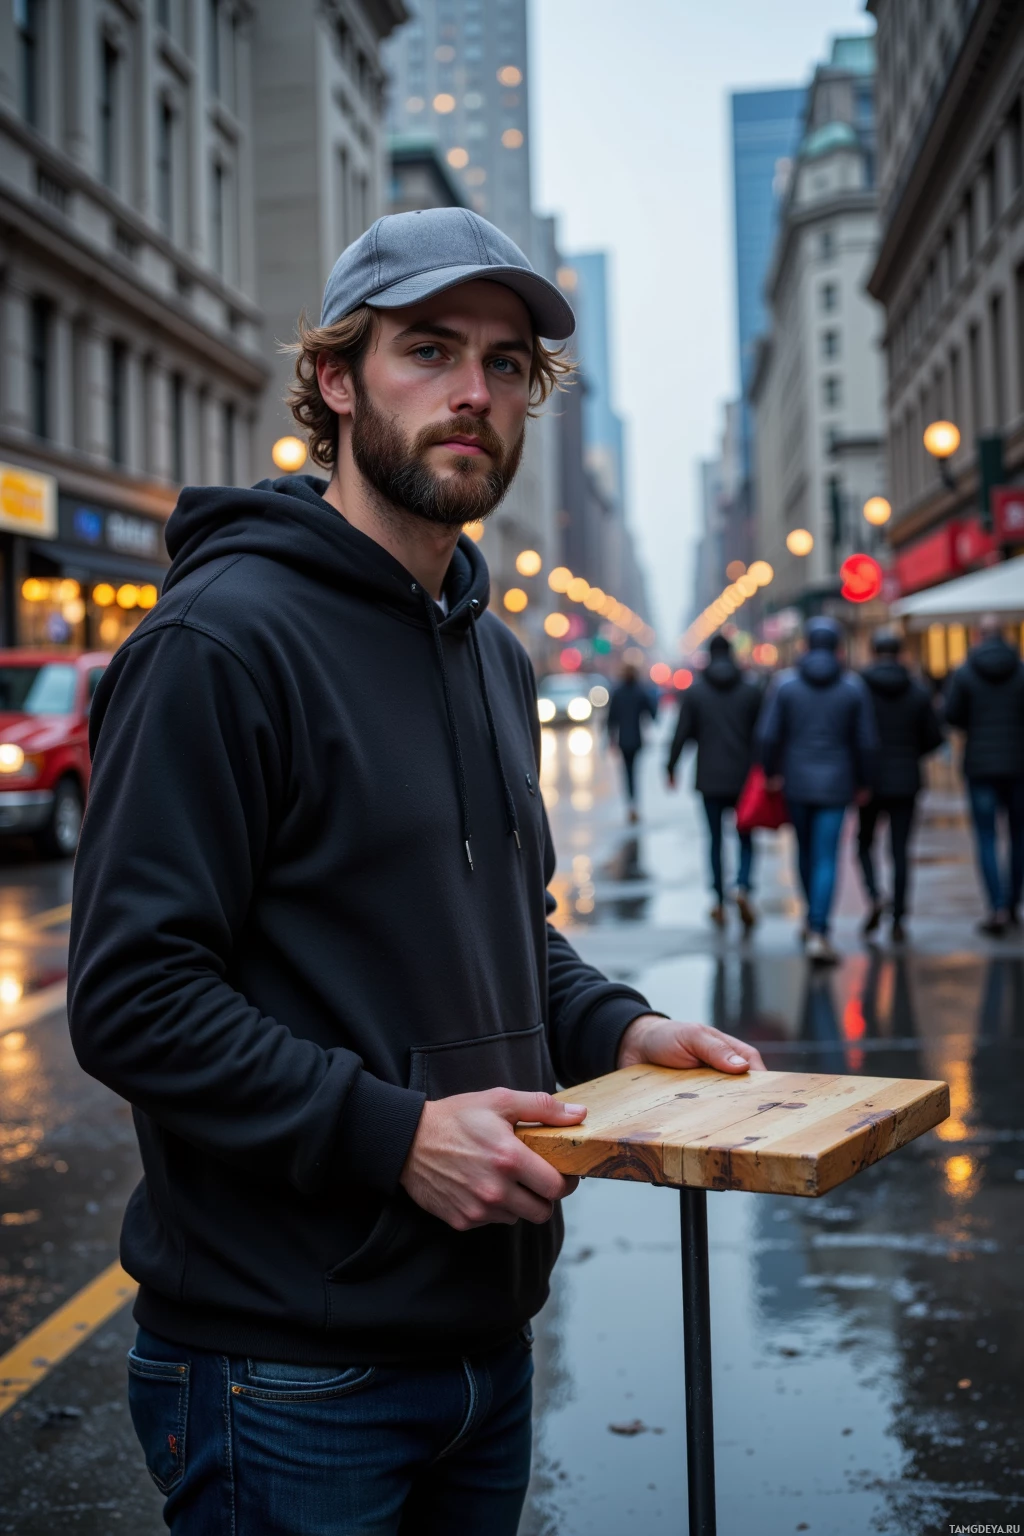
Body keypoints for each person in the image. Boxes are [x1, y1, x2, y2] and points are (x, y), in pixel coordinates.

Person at [68, 207, 764, 1536]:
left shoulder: (490, 652)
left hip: (483, 1340)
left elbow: (508, 929)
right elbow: (133, 996)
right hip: (285, 1369)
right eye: (429, 350)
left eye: (506, 365)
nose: (473, 394)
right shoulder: (219, 642)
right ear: (335, 380)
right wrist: (394, 1138)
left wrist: (625, 1027)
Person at [758, 617, 878, 965]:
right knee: (827, 855)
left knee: (805, 852)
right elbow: (866, 742)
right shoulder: (853, 687)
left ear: (805, 645)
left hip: (796, 781)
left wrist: (771, 772)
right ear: (838, 647)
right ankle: (819, 928)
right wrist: (865, 782)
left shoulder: (785, 685)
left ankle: (812, 920)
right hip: (837, 782)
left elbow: (767, 735)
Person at [665, 634, 763, 929]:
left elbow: (682, 733)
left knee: (715, 840)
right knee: (746, 837)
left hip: (709, 778)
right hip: (744, 779)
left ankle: (719, 901)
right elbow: (763, 736)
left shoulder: (696, 693)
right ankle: (743, 886)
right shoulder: (751, 691)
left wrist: (670, 767)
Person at [857, 628, 943, 943]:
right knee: (900, 850)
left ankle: (874, 893)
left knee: (864, 843)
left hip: (870, 780)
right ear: (900, 653)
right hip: (906, 780)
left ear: (873, 651)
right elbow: (934, 737)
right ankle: (900, 917)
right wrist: (910, 753)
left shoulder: (859, 688)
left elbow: (853, 734)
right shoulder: (917, 690)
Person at [944, 614, 1024, 934]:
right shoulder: (1021, 671)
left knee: (986, 836)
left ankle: (996, 906)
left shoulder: (965, 673)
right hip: (1019, 763)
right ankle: (1013, 901)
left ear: (978, 636)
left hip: (979, 764)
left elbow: (952, 715)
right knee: (1018, 835)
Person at [606, 663, 657, 823]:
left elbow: (611, 718)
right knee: (634, 772)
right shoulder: (640, 691)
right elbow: (652, 712)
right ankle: (634, 804)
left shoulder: (618, 692)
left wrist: (611, 739)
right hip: (636, 739)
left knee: (627, 773)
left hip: (623, 739)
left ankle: (631, 804)